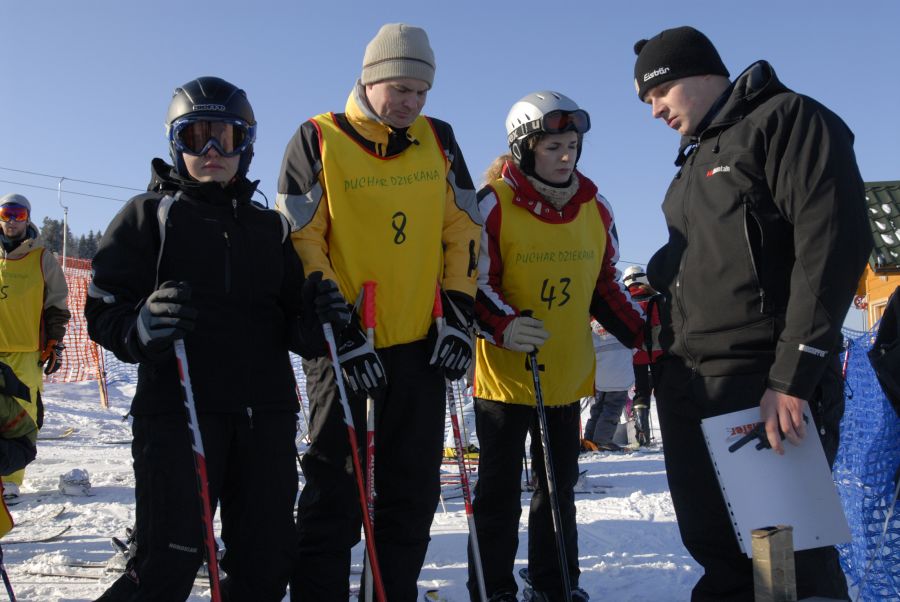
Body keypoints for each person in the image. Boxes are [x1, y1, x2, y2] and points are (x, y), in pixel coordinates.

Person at [633, 26, 872, 600]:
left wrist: (793, 376)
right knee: (719, 552)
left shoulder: (786, 120)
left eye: (658, 93)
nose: (654, 110)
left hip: (761, 382)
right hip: (693, 383)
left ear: (699, 73)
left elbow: (832, 245)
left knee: (789, 557)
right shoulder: (695, 161)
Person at [86, 76, 333, 601]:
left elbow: (293, 325)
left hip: (265, 416)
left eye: (227, 136)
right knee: (170, 559)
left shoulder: (270, 227)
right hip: (178, 414)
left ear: (247, 144)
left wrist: (318, 320)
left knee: (267, 562)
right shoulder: (147, 215)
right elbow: (104, 307)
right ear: (175, 143)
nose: (213, 151)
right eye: (196, 137)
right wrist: (140, 327)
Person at [275, 23, 482, 600]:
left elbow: (463, 228)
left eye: (421, 92)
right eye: (400, 89)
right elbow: (302, 239)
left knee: (411, 497)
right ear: (369, 80)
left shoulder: (439, 139)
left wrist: (458, 315)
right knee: (334, 496)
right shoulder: (317, 138)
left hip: (419, 346)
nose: (411, 103)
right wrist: (338, 330)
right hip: (347, 347)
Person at [471, 90, 644, 602]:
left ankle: (556, 585)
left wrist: (648, 334)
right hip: (506, 377)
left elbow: (604, 286)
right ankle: (492, 589)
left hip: (566, 376)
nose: (565, 156)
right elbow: (473, 282)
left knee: (557, 490)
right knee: (499, 492)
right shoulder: (491, 204)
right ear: (524, 149)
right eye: (552, 147)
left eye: (572, 145)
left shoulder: (596, 207)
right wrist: (503, 325)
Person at [0, 193, 69, 499]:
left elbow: (57, 304)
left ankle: (9, 478)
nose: (12, 220)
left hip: (25, 350)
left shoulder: (42, 258)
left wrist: (54, 341)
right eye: (6, 213)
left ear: (27, 218)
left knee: (21, 414)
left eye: (18, 214)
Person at [622, 265, 663, 446]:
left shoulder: (624, 300)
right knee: (664, 390)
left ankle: (642, 435)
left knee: (641, 392)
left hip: (636, 353)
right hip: (659, 352)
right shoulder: (657, 298)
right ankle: (671, 429)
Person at [582, 318, 634, 452]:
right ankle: (602, 440)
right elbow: (634, 345)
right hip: (619, 373)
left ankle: (589, 439)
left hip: (600, 373)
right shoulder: (623, 319)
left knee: (597, 408)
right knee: (612, 408)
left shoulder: (594, 324)